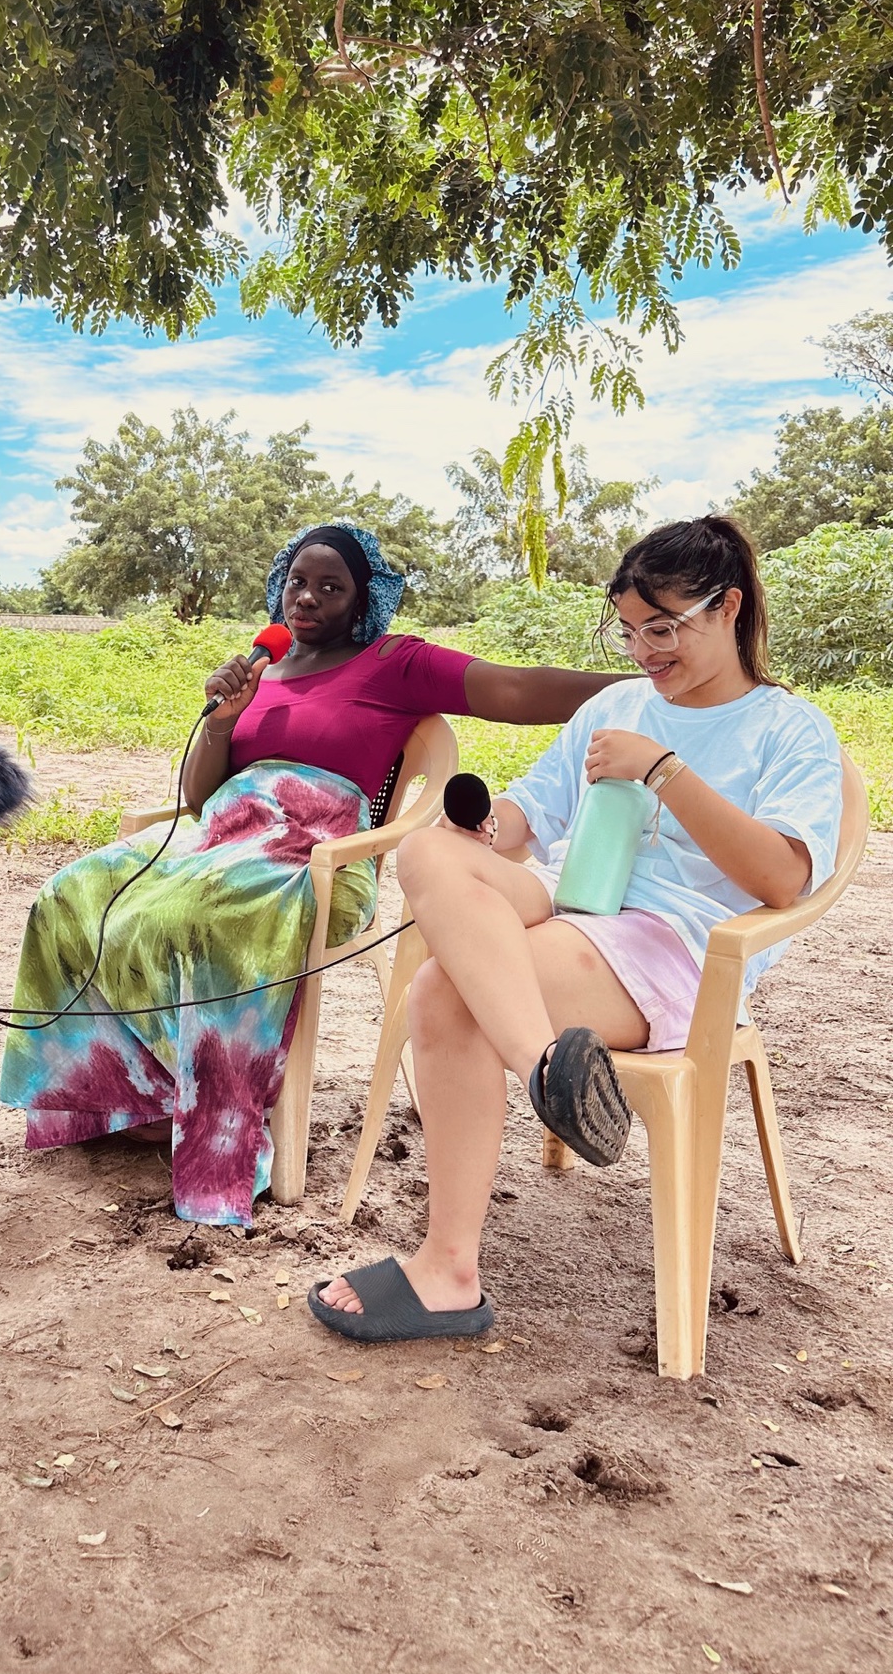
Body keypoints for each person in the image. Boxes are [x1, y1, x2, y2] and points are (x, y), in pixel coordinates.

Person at [0, 521, 627, 1228]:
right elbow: (202, 794)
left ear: (362, 602)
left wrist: (640, 687)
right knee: (70, 896)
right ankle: (127, 1095)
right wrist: (220, 722)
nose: (308, 598)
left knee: (210, 917)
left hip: (313, 850)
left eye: (332, 587)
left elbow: (512, 690)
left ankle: (220, 1126)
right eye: (299, 581)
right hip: (219, 836)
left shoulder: (394, 662)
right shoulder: (261, 672)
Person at [311, 515, 845, 1343]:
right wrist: (490, 827)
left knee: (442, 993)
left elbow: (780, 878)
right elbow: (537, 817)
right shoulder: (620, 704)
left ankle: (449, 1268)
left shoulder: (789, 729)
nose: (644, 653)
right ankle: (549, 1072)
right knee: (426, 853)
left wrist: (663, 770)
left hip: (677, 948)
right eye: (630, 633)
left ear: (729, 606)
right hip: (572, 907)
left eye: (663, 629)